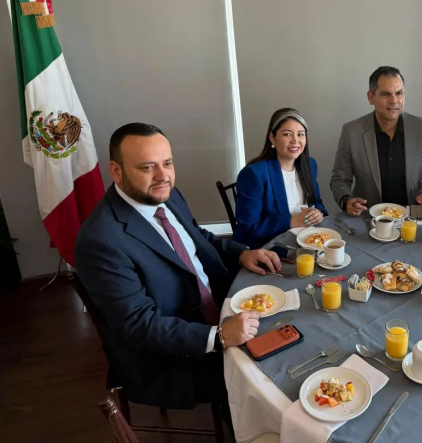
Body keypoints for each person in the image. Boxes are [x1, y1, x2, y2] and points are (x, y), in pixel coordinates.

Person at [75, 123, 281, 427]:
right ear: (116, 171)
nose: (163, 176)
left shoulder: (166, 195)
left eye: (168, 163)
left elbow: (197, 238)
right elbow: (139, 324)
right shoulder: (100, 240)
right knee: (268, 377)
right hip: (168, 355)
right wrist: (218, 336)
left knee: (293, 327)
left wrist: (240, 253)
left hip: (218, 307)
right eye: (148, 167)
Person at [330, 66, 422, 216]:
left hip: (412, 216)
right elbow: (339, 179)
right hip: (368, 218)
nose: (394, 101)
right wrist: (346, 200)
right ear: (371, 97)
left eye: (399, 93)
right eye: (385, 94)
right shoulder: (351, 132)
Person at [234, 108, 328, 248]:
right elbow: (247, 229)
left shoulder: (309, 165)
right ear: (272, 137)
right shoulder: (254, 174)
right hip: (273, 247)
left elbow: (317, 202)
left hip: (309, 238)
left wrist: (318, 213)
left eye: (300, 134)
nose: (295, 140)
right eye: (287, 134)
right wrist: (291, 221)